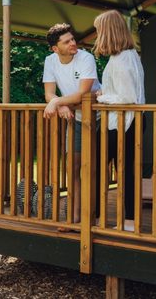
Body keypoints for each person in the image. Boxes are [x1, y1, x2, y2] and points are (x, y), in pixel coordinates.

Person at [43, 23, 101, 224]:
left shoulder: (86, 58)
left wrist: (58, 101)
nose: (73, 43)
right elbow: (49, 92)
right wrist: (59, 105)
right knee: (72, 167)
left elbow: (83, 94)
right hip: (75, 119)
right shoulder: (50, 61)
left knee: (94, 167)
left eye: (73, 39)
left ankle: (92, 219)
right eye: (67, 41)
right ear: (55, 49)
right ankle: (75, 218)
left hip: (99, 119)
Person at [93, 10, 145, 221]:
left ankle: (95, 217)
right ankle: (130, 220)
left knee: (96, 167)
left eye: (98, 31)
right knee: (128, 170)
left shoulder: (122, 60)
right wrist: (105, 93)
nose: (97, 36)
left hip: (123, 121)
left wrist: (103, 98)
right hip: (128, 121)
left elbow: (127, 96)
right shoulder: (129, 55)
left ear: (107, 32)